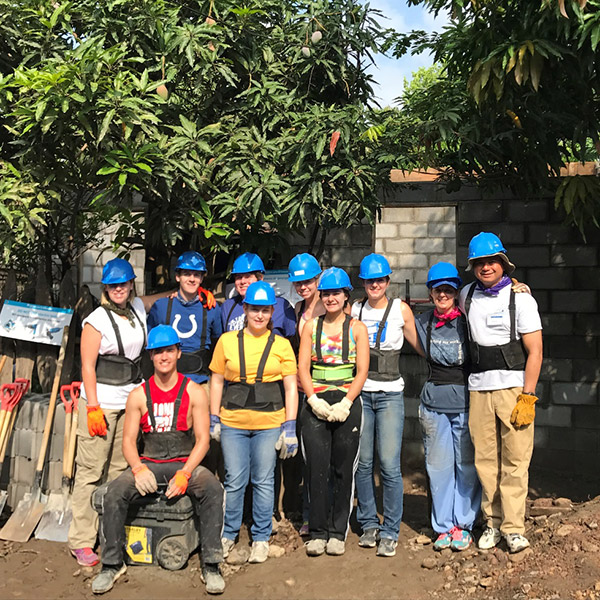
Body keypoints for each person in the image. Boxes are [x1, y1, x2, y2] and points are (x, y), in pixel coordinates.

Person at [91, 325, 225, 595]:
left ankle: (211, 563)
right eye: (158, 352)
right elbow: (128, 441)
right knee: (113, 493)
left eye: (169, 350)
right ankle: (112, 563)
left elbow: (203, 441)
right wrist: (138, 469)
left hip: (184, 463)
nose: (164, 356)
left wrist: (186, 473)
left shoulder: (195, 391)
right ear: (150, 356)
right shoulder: (138, 395)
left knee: (212, 488)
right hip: (150, 463)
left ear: (178, 353)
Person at [459, 233, 543, 554]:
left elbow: (535, 351)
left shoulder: (521, 299)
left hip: (513, 391)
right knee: (485, 460)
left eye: (492, 261)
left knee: (516, 459)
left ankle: (514, 528)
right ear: (473, 267)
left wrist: (528, 396)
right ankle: (492, 524)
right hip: (479, 390)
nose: (486, 267)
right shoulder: (467, 295)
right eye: (480, 262)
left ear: (503, 263)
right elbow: (441, 296)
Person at [209, 281, 299, 564]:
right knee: (234, 480)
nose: (259, 315)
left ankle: (260, 537)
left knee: (263, 480)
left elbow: (291, 387)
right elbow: (217, 380)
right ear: (244, 309)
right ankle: (229, 533)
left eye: (264, 310)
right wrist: (214, 417)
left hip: (269, 421)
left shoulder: (282, 345)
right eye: (254, 309)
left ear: (272, 312)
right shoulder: (227, 341)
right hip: (233, 421)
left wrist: (290, 426)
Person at [68, 258, 147, 567]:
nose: (119, 289)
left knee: (117, 471)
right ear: (106, 288)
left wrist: (190, 292)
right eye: (113, 285)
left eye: (123, 284)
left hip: (130, 401)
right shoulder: (96, 321)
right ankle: (82, 540)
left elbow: (160, 298)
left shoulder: (137, 309)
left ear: (131, 285)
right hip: (101, 402)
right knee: (90, 470)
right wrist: (93, 407)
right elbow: (87, 365)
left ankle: (108, 533)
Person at [351, 253, 421, 557]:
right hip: (361, 393)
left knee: (390, 465)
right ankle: (368, 523)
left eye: (380, 279)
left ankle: (391, 529)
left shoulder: (400, 310)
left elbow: (420, 344)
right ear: (364, 283)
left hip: (390, 393)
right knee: (363, 463)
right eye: (370, 280)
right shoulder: (355, 309)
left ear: (388, 282)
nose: (375, 284)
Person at [298, 267, 370, 557]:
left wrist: (347, 401)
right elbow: (303, 366)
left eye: (336, 293)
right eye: (326, 293)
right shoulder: (310, 327)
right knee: (316, 467)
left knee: (343, 468)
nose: (330, 298)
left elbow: (362, 370)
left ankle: (338, 531)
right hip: (316, 400)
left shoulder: (357, 328)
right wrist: (313, 400)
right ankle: (316, 531)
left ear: (345, 295)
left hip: (346, 402)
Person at [415, 262, 481, 552]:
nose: (443, 295)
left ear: (456, 293)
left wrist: (517, 285)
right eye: (437, 290)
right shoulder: (423, 322)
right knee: (438, 466)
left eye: (448, 290)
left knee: (466, 466)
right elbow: (390, 312)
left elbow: (494, 298)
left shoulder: (468, 320)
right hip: (433, 404)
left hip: (466, 403)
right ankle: (443, 526)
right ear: (430, 293)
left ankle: (463, 524)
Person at [286, 253, 324, 532]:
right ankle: (309, 512)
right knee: (306, 453)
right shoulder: (297, 308)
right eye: (298, 282)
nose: (303, 286)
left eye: (307, 280)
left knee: (324, 451)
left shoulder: (331, 306)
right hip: (301, 389)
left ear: (317, 279)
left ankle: (327, 510)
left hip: (326, 387)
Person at [147, 251, 222, 386]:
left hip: (201, 381)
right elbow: (149, 343)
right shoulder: (161, 306)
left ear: (202, 278)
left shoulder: (212, 308)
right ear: (177, 277)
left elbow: (219, 344)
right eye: (187, 274)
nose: (192, 279)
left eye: (196, 275)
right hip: (167, 381)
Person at [221, 252, 296, 338]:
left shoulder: (281, 306)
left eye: (248, 276)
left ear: (260, 278)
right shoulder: (228, 306)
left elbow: (292, 339)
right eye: (238, 277)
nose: (242, 281)